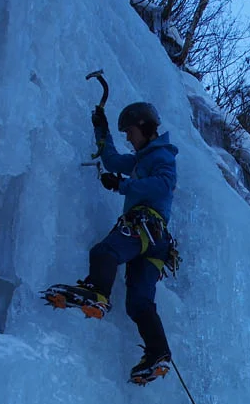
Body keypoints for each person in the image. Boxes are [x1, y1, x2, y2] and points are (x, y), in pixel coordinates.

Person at [50, 101, 179, 384]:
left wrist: (123, 185)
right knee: (139, 303)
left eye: (130, 131)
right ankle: (158, 353)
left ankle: (97, 293)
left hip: (145, 226)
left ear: (145, 127)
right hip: (156, 243)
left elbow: (163, 184)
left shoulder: (162, 157)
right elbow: (111, 160)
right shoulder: (140, 159)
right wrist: (101, 128)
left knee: (105, 251)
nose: (128, 137)